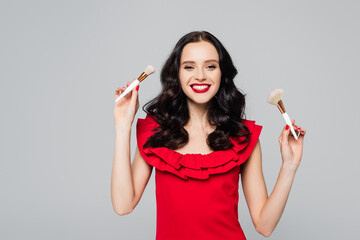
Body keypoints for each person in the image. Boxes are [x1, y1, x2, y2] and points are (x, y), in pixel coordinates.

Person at [111, 31, 306, 240]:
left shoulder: (241, 137)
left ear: (222, 73)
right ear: (177, 74)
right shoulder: (156, 135)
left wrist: (289, 166)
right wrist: (123, 126)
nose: (201, 75)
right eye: (189, 67)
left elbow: (264, 225)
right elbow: (123, 205)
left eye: (210, 66)